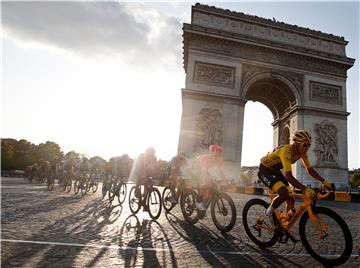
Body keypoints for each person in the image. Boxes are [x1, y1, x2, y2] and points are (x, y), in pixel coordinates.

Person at [258, 130, 334, 227]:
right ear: (296, 144)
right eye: (305, 145)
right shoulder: (286, 151)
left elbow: (310, 170)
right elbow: (289, 176)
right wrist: (305, 189)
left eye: (309, 145)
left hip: (275, 170)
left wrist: (324, 181)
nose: (307, 148)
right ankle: (267, 213)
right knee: (284, 193)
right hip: (265, 169)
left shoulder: (302, 153)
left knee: (291, 198)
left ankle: (285, 224)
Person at [190, 144, 229, 211]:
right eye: (216, 155)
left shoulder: (218, 160)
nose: (217, 157)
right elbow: (203, 171)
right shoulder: (206, 158)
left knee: (211, 184)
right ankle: (199, 203)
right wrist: (205, 181)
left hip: (204, 170)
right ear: (211, 153)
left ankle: (203, 203)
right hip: (195, 168)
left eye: (219, 155)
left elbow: (221, 172)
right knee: (206, 183)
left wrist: (226, 181)